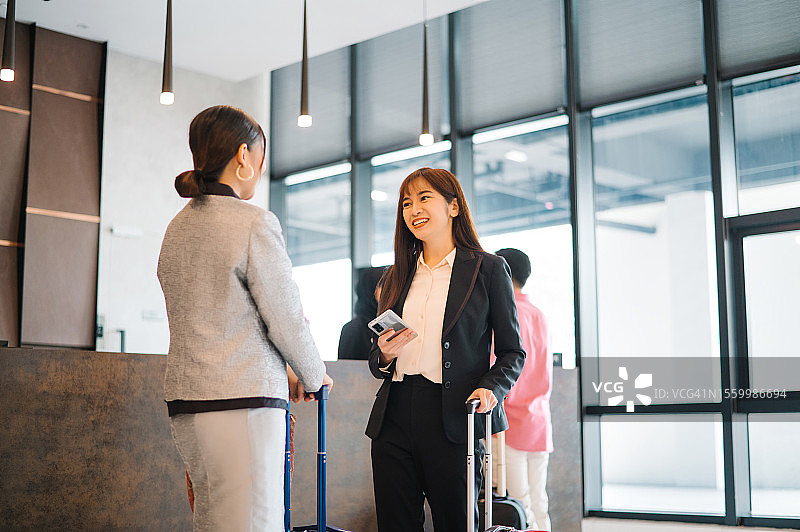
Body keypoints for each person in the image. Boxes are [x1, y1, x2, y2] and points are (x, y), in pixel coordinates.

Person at [157, 105, 332, 531]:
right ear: (242, 155)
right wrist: (313, 374)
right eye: (260, 156)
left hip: (189, 403)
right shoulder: (253, 224)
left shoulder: (177, 228)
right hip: (241, 404)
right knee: (256, 522)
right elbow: (285, 316)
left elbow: (223, 316)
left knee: (215, 522)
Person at [365, 167, 526, 532]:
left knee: (457, 523)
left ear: (453, 207)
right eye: (407, 203)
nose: (413, 210)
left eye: (424, 198)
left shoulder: (488, 269)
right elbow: (377, 359)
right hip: (394, 418)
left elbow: (513, 352)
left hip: (454, 417)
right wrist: (386, 355)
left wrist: (492, 389)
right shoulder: (395, 276)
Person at [493, 248, 552, 531]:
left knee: (519, 505)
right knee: (539, 502)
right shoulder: (539, 314)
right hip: (540, 420)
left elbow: (500, 367)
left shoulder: (506, 312)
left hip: (511, 421)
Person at [337, 266, 386, 360]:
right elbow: (344, 370)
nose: (389, 292)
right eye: (383, 286)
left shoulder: (394, 322)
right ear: (370, 289)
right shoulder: (352, 329)